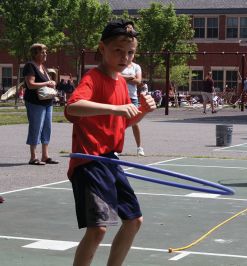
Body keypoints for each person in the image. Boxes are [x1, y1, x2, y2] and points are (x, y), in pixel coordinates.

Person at [64, 19, 156, 266]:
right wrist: (115, 108)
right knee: (98, 229)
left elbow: (121, 122)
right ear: (102, 49)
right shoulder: (92, 78)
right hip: (89, 161)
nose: (125, 57)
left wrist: (143, 111)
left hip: (110, 160)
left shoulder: (121, 84)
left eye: (130, 53)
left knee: (134, 220)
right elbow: (73, 107)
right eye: (118, 50)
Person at [23, 43, 59, 166]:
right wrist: (47, 83)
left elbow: (45, 83)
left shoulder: (42, 67)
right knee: (36, 128)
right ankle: (33, 157)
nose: (45, 54)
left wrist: (51, 82)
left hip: (47, 102)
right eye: (42, 52)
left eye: (45, 52)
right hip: (35, 103)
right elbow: (30, 84)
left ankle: (45, 156)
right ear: (35, 53)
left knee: (47, 128)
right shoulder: (30, 66)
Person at [121, 43, 145, 156]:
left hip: (133, 98)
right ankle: (115, 148)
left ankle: (139, 147)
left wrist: (125, 78)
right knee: (119, 123)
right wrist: (130, 77)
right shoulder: (120, 65)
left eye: (132, 53)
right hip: (121, 97)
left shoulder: (136, 67)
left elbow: (138, 81)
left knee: (135, 123)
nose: (129, 55)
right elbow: (116, 77)